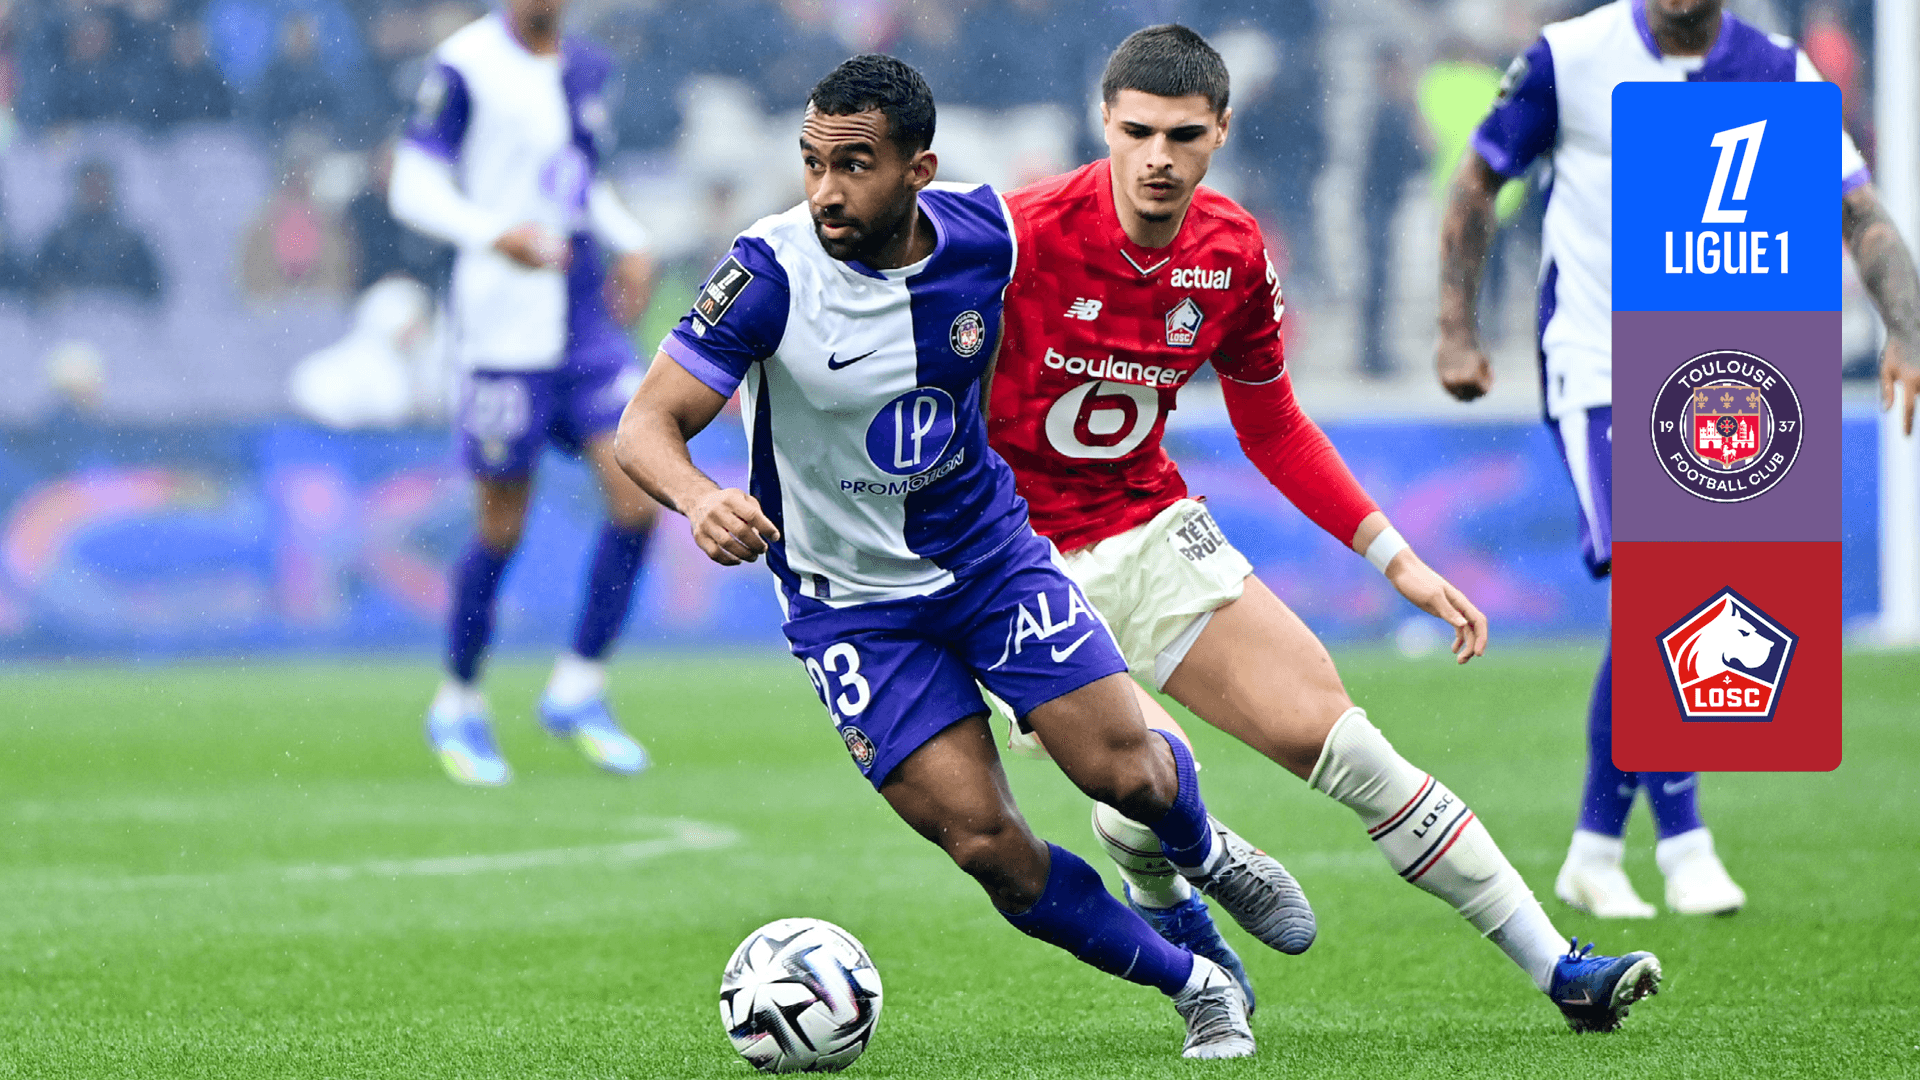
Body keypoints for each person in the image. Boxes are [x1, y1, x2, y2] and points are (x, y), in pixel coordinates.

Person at [615, 54, 1317, 1061]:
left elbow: (1117, 248)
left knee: (1125, 773)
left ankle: (1204, 850)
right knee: (988, 845)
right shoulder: (770, 273)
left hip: (988, 560)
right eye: (813, 163)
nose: (825, 190)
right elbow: (645, 426)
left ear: (919, 170)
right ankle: (1197, 985)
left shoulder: (992, 236)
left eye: (854, 165)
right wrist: (700, 498)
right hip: (851, 608)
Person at [987, 24, 1660, 1034]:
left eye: (1183, 135)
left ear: (1221, 130)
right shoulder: (1017, 234)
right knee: (1147, 777)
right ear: (1106, 124)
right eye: (1138, 133)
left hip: (1152, 527)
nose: (1158, 158)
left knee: (1348, 745)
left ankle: (1561, 969)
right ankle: (1181, 915)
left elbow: (1273, 427)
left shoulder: (1231, 252)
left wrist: (1397, 559)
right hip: (1019, 564)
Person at [1435, 0, 1920, 917]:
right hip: (1593, 362)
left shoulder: (1777, 71)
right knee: (1661, 582)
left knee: (1684, 594)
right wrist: (1456, 328)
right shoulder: (1569, 57)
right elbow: (1475, 182)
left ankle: (1595, 848)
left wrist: (1907, 327)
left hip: (1709, 377)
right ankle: (1686, 845)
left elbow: (1856, 209)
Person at [389, 0, 660, 786]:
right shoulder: (464, 66)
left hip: (583, 318)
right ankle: (459, 699)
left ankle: (578, 686)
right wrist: (493, 233)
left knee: (638, 493)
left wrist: (633, 241)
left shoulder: (585, 66)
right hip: (502, 327)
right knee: (501, 526)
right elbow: (412, 186)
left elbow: (575, 182)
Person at [34, 161, 164, 304]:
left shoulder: (131, 245)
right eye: (89, 186)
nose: (95, 192)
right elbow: (40, 290)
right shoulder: (59, 244)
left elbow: (151, 293)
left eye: (100, 186)